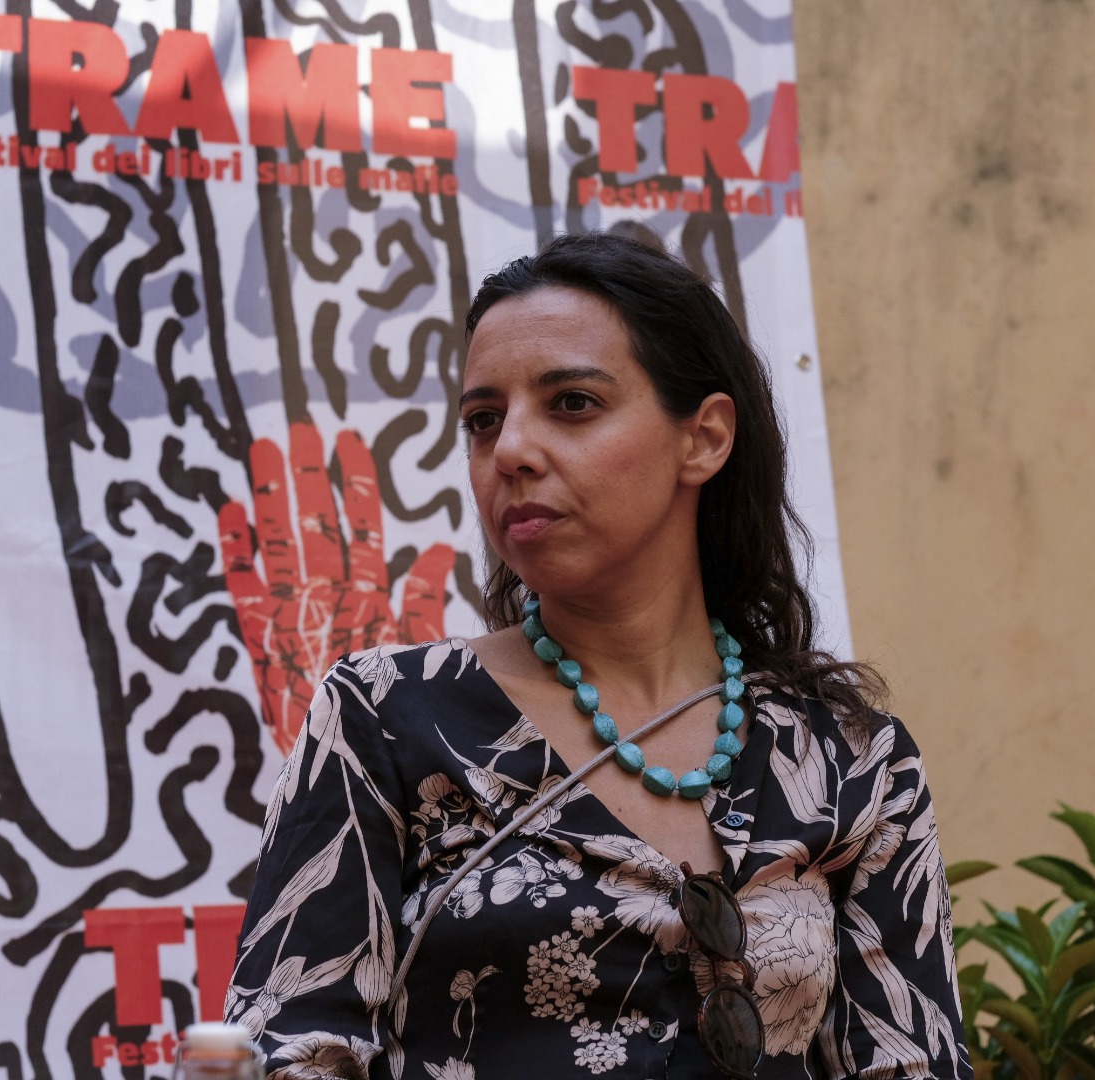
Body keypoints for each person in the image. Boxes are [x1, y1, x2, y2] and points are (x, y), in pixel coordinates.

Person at [225, 230, 973, 1080]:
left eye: (572, 403)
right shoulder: (386, 719)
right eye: (482, 421)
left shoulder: (851, 760)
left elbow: (911, 1064)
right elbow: (291, 1054)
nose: (511, 450)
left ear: (704, 438)